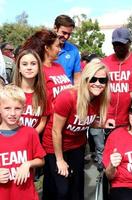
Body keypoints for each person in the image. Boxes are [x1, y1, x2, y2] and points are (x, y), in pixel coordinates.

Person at [42, 61, 110, 200]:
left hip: (77, 146)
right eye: (93, 79)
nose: (98, 83)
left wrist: (101, 124)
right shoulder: (68, 97)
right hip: (55, 145)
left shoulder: (99, 99)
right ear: (86, 79)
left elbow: (83, 122)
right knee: (62, 190)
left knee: (76, 188)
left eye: (102, 80)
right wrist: (59, 160)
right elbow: (56, 131)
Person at [0, 84, 45, 200]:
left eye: (17, 108)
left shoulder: (30, 133)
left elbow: (41, 160)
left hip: (26, 194)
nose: (12, 113)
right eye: (7, 108)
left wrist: (28, 164)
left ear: (24, 109)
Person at [22, 29, 73, 103]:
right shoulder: (36, 70)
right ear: (47, 48)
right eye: (57, 46)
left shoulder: (59, 67)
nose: (60, 50)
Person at [101, 27, 132, 128]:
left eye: (122, 44)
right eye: (115, 44)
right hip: (109, 120)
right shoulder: (105, 62)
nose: (118, 47)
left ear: (129, 43)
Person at [13, 49, 49, 134]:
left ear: (39, 67)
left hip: (32, 140)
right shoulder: (10, 92)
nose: (29, 67)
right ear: (19, 68)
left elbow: (43, 121)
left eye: (33, 64)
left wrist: (30, 136)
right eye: (24, 64)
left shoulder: (44, 94)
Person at [54, 14, 81, 85]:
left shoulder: (74, 50)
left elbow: (77, 78)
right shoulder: (42, 48)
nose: (66, 37)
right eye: (64, 33)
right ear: (55, 28)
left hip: (68, 94)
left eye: (69, 34)